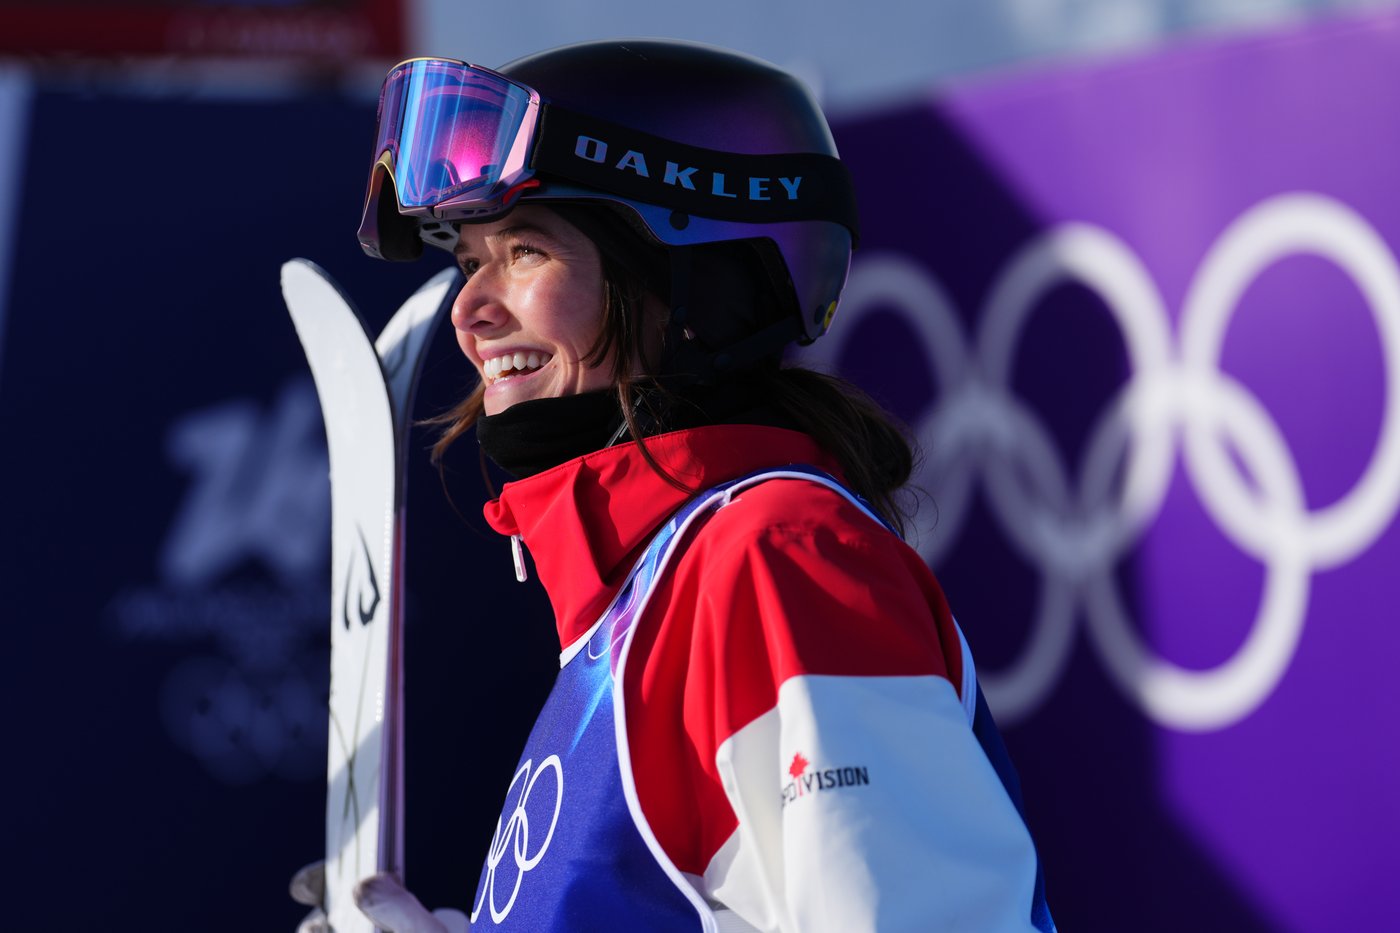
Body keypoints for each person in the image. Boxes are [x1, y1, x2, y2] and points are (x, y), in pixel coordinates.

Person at [298, 37, 1055, 932]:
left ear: (685, 282)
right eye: (469, 260)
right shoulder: (636, 608)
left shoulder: (772, 556)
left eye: (526, 251)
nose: (470, 309)